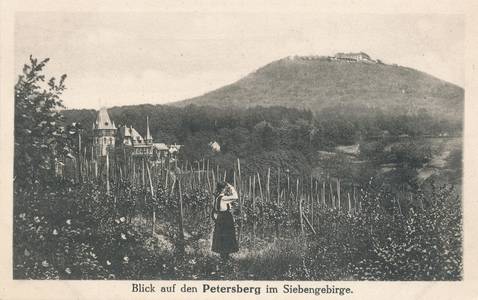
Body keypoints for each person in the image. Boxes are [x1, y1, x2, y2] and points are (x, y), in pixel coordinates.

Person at [211, 181, 239, 261]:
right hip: (226, 218)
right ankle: (225, 258)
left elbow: (216, 209)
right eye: (225, 188)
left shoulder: (217, 197)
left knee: (221, 238)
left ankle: (223, 257)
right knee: (227, 237)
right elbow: (236, 196)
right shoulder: (223, 198)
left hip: (220, 218)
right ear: (223, 189)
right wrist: (231, 187)